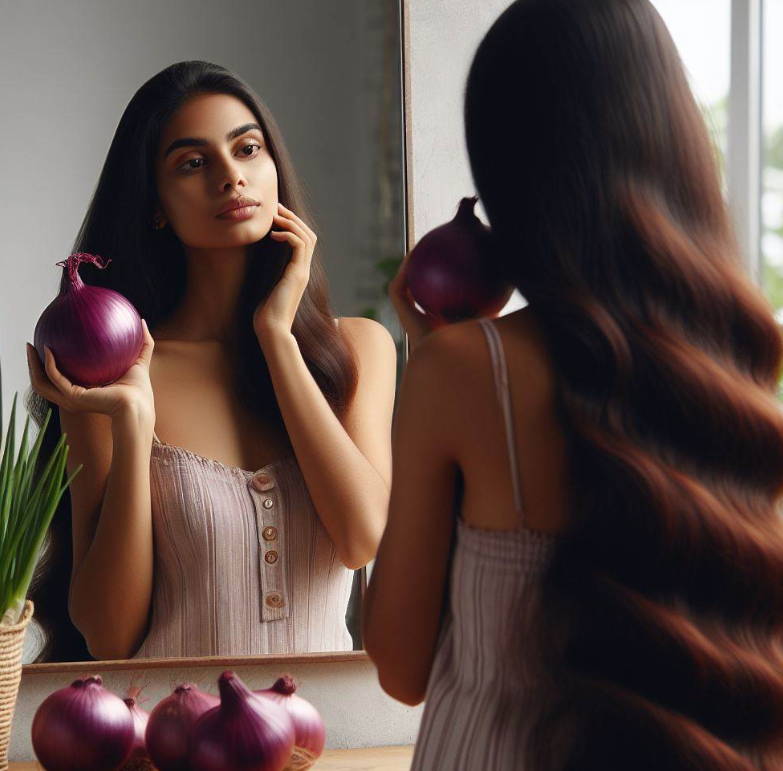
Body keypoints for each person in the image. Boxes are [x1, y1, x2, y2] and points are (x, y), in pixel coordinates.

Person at [363, 1, 783, 768]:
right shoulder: (740, 369)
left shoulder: (462, 370)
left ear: (509, 175)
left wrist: (438, 363)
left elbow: (399, 665)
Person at [26, 60, 397, 662]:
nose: (231, 177)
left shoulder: (360, 348)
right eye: (193, 163)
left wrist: (277, 335)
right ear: (156, 204)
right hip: (170, 744)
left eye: (248, 149)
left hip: (328, 745)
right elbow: (109, 635)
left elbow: (362, 540)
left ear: (275, 167)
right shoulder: (114, 378)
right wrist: (131, 422)